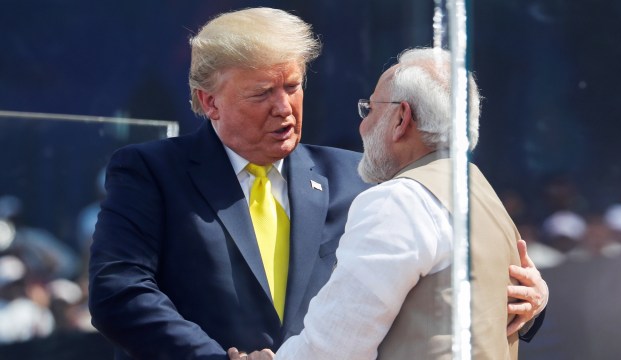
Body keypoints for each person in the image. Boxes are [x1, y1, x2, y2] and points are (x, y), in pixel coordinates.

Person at [89, 9, 545, 359]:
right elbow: (120, 293)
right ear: (210, 102)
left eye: (293, 86)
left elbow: (443, 274)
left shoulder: (361, 178)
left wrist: (532, 304)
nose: (284, 107)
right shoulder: (150, 172)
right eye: (262, 93)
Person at [229, 47, 548, 360]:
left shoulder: (399, 201)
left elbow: (336, 347)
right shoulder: (484, 196)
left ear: (401, 118)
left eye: (369, 110)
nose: (362, 126)